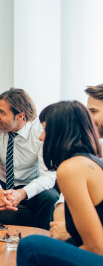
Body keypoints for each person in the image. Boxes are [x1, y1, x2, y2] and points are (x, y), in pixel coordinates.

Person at [17, 101, 103, 266]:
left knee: (30, 245)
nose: (41, 138)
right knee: (47, 252)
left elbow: (96, 246)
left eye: (45, 129)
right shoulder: (92, 162)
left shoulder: (71, 169)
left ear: (59, 131)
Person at [0, 88, 58, 229]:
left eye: (2, 112)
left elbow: (48, 175)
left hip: (30, 184)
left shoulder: (40, 133)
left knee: (50, 197)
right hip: (2, 183)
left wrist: (22, 193)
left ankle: (41, 244)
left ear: (20, 116)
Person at [51, 84, 103, 241]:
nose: (88, 118)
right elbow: (67, 196)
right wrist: (62, 224)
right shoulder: (94, 148)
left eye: (93, 111)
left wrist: (72, 233)